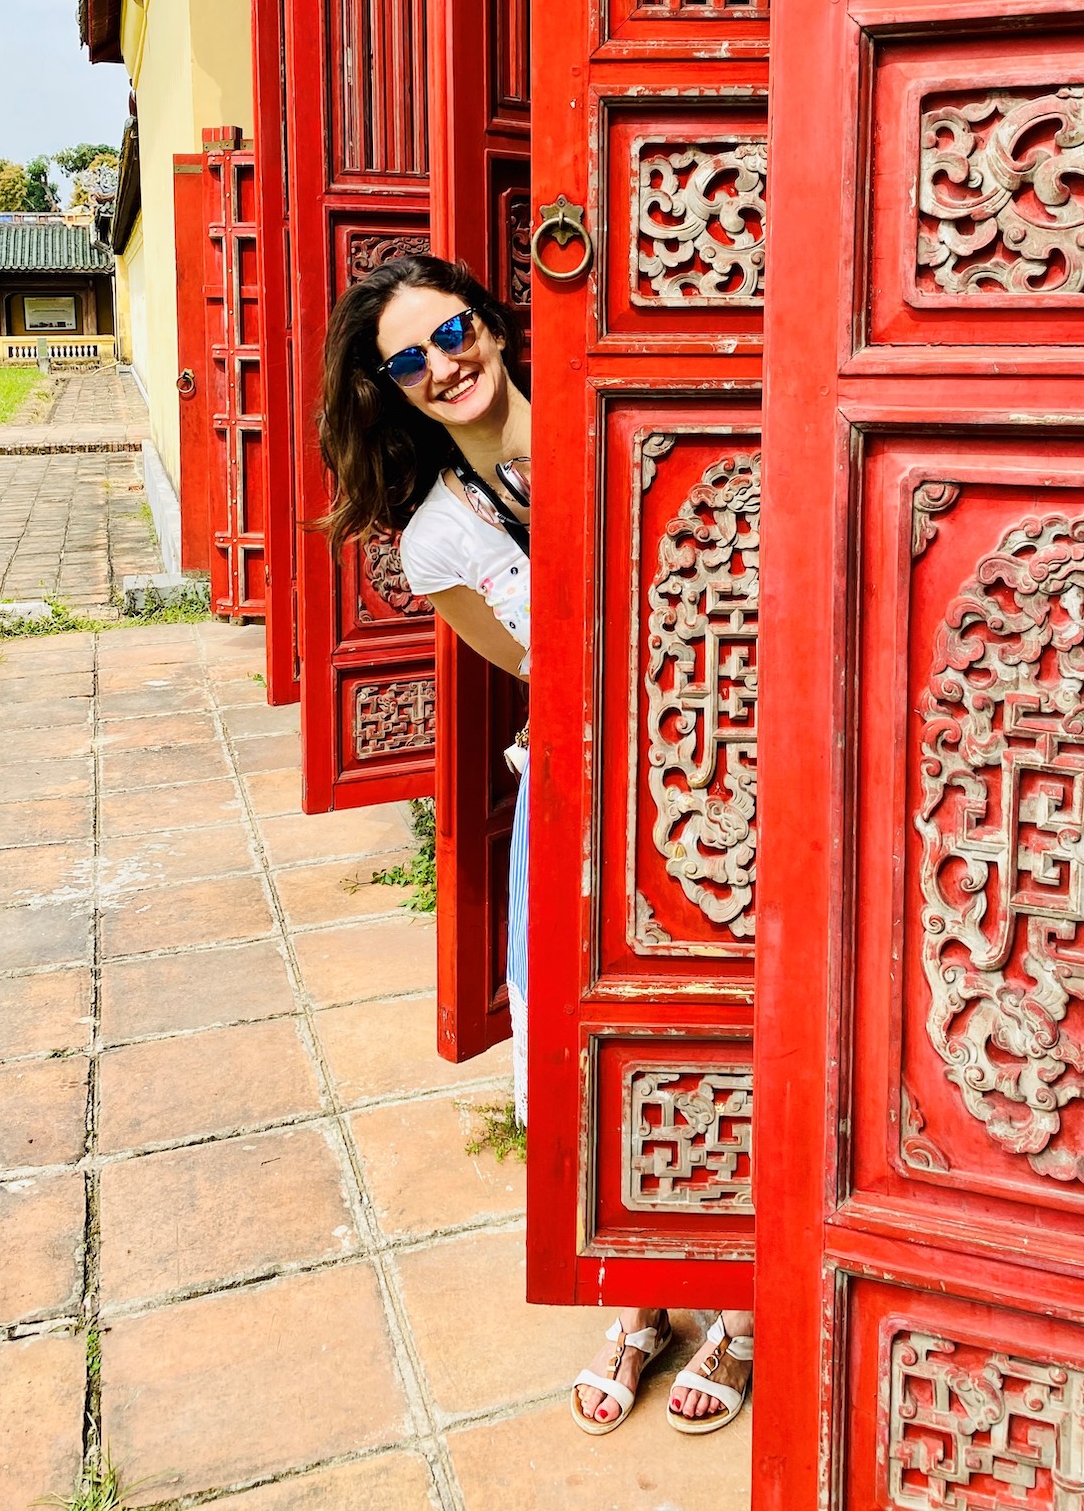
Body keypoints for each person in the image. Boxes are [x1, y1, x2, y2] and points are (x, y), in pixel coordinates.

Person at [317, 252, 753, 1438]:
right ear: (389, 389)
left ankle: (741, 1299)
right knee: (599, 1048)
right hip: (587, 797)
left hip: (726, 761)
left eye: (450, 333)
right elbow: (539, 672)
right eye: (407, 360)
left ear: (495, 323)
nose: (440, 366)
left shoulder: (615, 429)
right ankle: (643, 1296)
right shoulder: (435, 540)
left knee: (737, 1027)